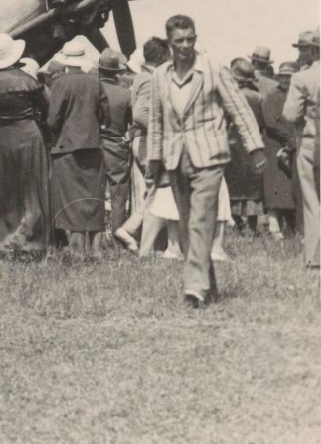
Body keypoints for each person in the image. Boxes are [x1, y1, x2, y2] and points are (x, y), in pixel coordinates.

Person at [147, 15, 265, 307]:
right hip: (176, 158)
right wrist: (153, 159)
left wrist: (256, 148)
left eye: (191, 39)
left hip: (209, 157)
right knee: (187, 226)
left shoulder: (213, 70)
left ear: (196, 38)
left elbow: (238, 109)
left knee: (201, 220)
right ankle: (207, 286)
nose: (186, 46)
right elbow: (156, 120)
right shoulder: (160, 75)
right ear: (170, 43)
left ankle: (194, 288)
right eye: (179, 41)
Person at [0, 34, 51, 252]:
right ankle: (31, 237)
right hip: (29, 134)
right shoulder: (28, 81)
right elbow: (45, 109)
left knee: (4, 187)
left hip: (5, 136)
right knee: (32, 187)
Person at [47, 38, 109, 253]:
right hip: (92, 146)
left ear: (65, 61)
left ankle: (77, 249)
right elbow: (105, 114)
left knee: (70, 199)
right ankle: (97, 249)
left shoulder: (60, 83)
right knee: (93, 199)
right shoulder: (94, 81)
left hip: (66, 148)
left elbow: (52, 121)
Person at [119, 37, 175, 256]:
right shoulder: (150, 80)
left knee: (155, 192)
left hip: (145, 142)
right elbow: (141, 114)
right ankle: (132, 231)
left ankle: (149, 243)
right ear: (160, 58)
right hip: (151, 143)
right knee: (160, 191)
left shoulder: (144, 77)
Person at [283, 28, 320, 268]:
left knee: (312, 201)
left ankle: (315, 257)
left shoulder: (301, 78)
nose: (300, 53)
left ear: (315, 50)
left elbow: (289, 113)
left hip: (310, 142)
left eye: (303, 48)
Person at [98, 49, 136, 250]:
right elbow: (134, 122)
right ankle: (118, 237)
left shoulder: (92, 90)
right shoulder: (125, 94)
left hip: (94, 145)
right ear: (116, 72)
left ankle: (93, 239)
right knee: (118, 194)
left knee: (92, 191)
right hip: (116, 146)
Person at [224, 58, 265, 233]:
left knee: (233, 185)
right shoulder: (258, 96)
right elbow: (262, 122)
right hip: (253, 146)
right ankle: (253, 225)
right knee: (252, 187)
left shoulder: (232, 96)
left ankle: (237, 223)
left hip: (232, 143)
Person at [261, 62, 299, 238]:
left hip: (293, 143)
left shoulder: (297, 94)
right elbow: (272, 122)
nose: (286, 80)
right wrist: (290, 138)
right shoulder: (273, 95)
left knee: (291, 185)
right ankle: (274, 226)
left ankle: (292, 226)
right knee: (275, 185)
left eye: (289, 77)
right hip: (275, 143)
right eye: (283, 76)